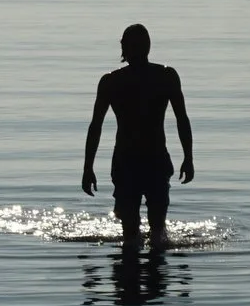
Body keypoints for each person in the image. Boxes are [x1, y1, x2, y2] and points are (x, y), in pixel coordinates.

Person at [81, 23, 194, 244]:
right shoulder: (164, 76)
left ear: (125, 48)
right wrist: (188, 158)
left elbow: (96, 126)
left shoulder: (113, 81)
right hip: (144, 161)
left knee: (137, 234)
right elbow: (96, 126)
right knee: (156, 233)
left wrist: (88, 168)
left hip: (136, 161)